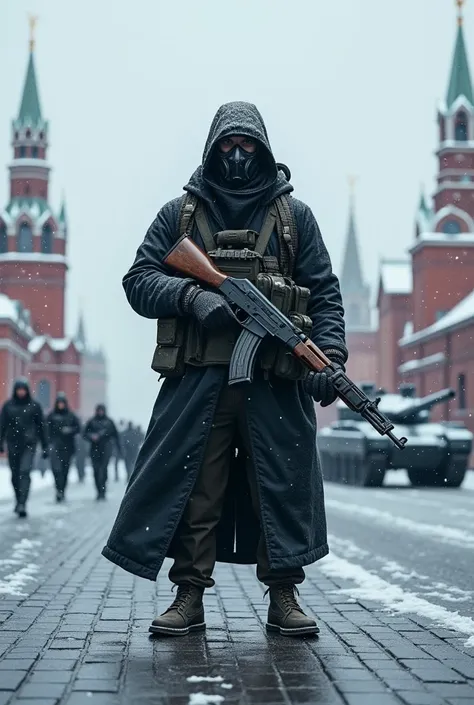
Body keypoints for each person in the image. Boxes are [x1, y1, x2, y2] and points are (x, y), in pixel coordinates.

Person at [103, 102, 347, 638]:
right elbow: (138, 279)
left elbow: (325, 296)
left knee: (280, 486)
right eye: (228, 147)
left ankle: (284, 595)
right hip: (199, 382)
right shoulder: (181, 215)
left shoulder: (293, 218)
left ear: (264, 149)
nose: (238, 157)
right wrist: (191, 295)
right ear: (213, 149)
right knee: (197, 489)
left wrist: (332, 360)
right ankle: (188, 594)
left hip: (276, 381)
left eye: (248, 146)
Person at [0, 378, 49, 518]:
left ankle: (22, 503)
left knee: (24, 471)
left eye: (23, 389)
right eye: (18, 389)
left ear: (27, 390)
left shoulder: (34, 406)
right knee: (15, 475)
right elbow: (2, 426)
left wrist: (45, 445)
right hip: (13, 444)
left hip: (29, 444)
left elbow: (42, 427)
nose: (21, 392)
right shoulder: (8, 406)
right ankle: (18, 499)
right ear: (15, 390)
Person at [46, 392, 81, 503]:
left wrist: (69, 430)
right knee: (56, 470)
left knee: (65, 470)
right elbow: (46, 430)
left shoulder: (71, 416)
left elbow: (78, 428)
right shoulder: (51, 416)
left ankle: (62, 490)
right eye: (59, 403)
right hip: (55, 446)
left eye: (62, 403)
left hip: (67, 447)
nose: (61, 405)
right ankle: (58, 489)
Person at [83, 404, 120, 500]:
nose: (100, 412)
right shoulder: (92, 421)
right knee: (96, 470)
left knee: (103, 469)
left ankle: (103, 490)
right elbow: (85, 433)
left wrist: (119, 449)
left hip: (106, 448)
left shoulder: (109, 422)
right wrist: (92, 436)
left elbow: (115, 435)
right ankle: (98, 490)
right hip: (95, 449)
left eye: (101, 410)